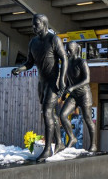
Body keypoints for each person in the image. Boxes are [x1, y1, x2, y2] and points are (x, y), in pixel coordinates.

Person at [12, 14, 68, 161]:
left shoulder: (53, 39)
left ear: (44, 24)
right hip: (41, 82)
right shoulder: (32, 43)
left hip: (53, 81)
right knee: (52, 114)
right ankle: (60, 143)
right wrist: (20, 69)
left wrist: (62, 80)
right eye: (33, 24)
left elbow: (64, 58)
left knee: (46, 113)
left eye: (36, 24)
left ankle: (48, 148)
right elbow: (29, 62)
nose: (34, 27)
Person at [59, 41, 98, 152]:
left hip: (84, 95)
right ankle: (72, 137)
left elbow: (87, 80)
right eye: (66, 49)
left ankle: (93, 144)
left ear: (76, 50)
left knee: (88, 119)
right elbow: (68, 80)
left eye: (70, 50)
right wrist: (64, 94)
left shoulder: (82, 62)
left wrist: (72, 87)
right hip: (73, 95)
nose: (67, 52)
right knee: (63, 115)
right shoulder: (67, 63)